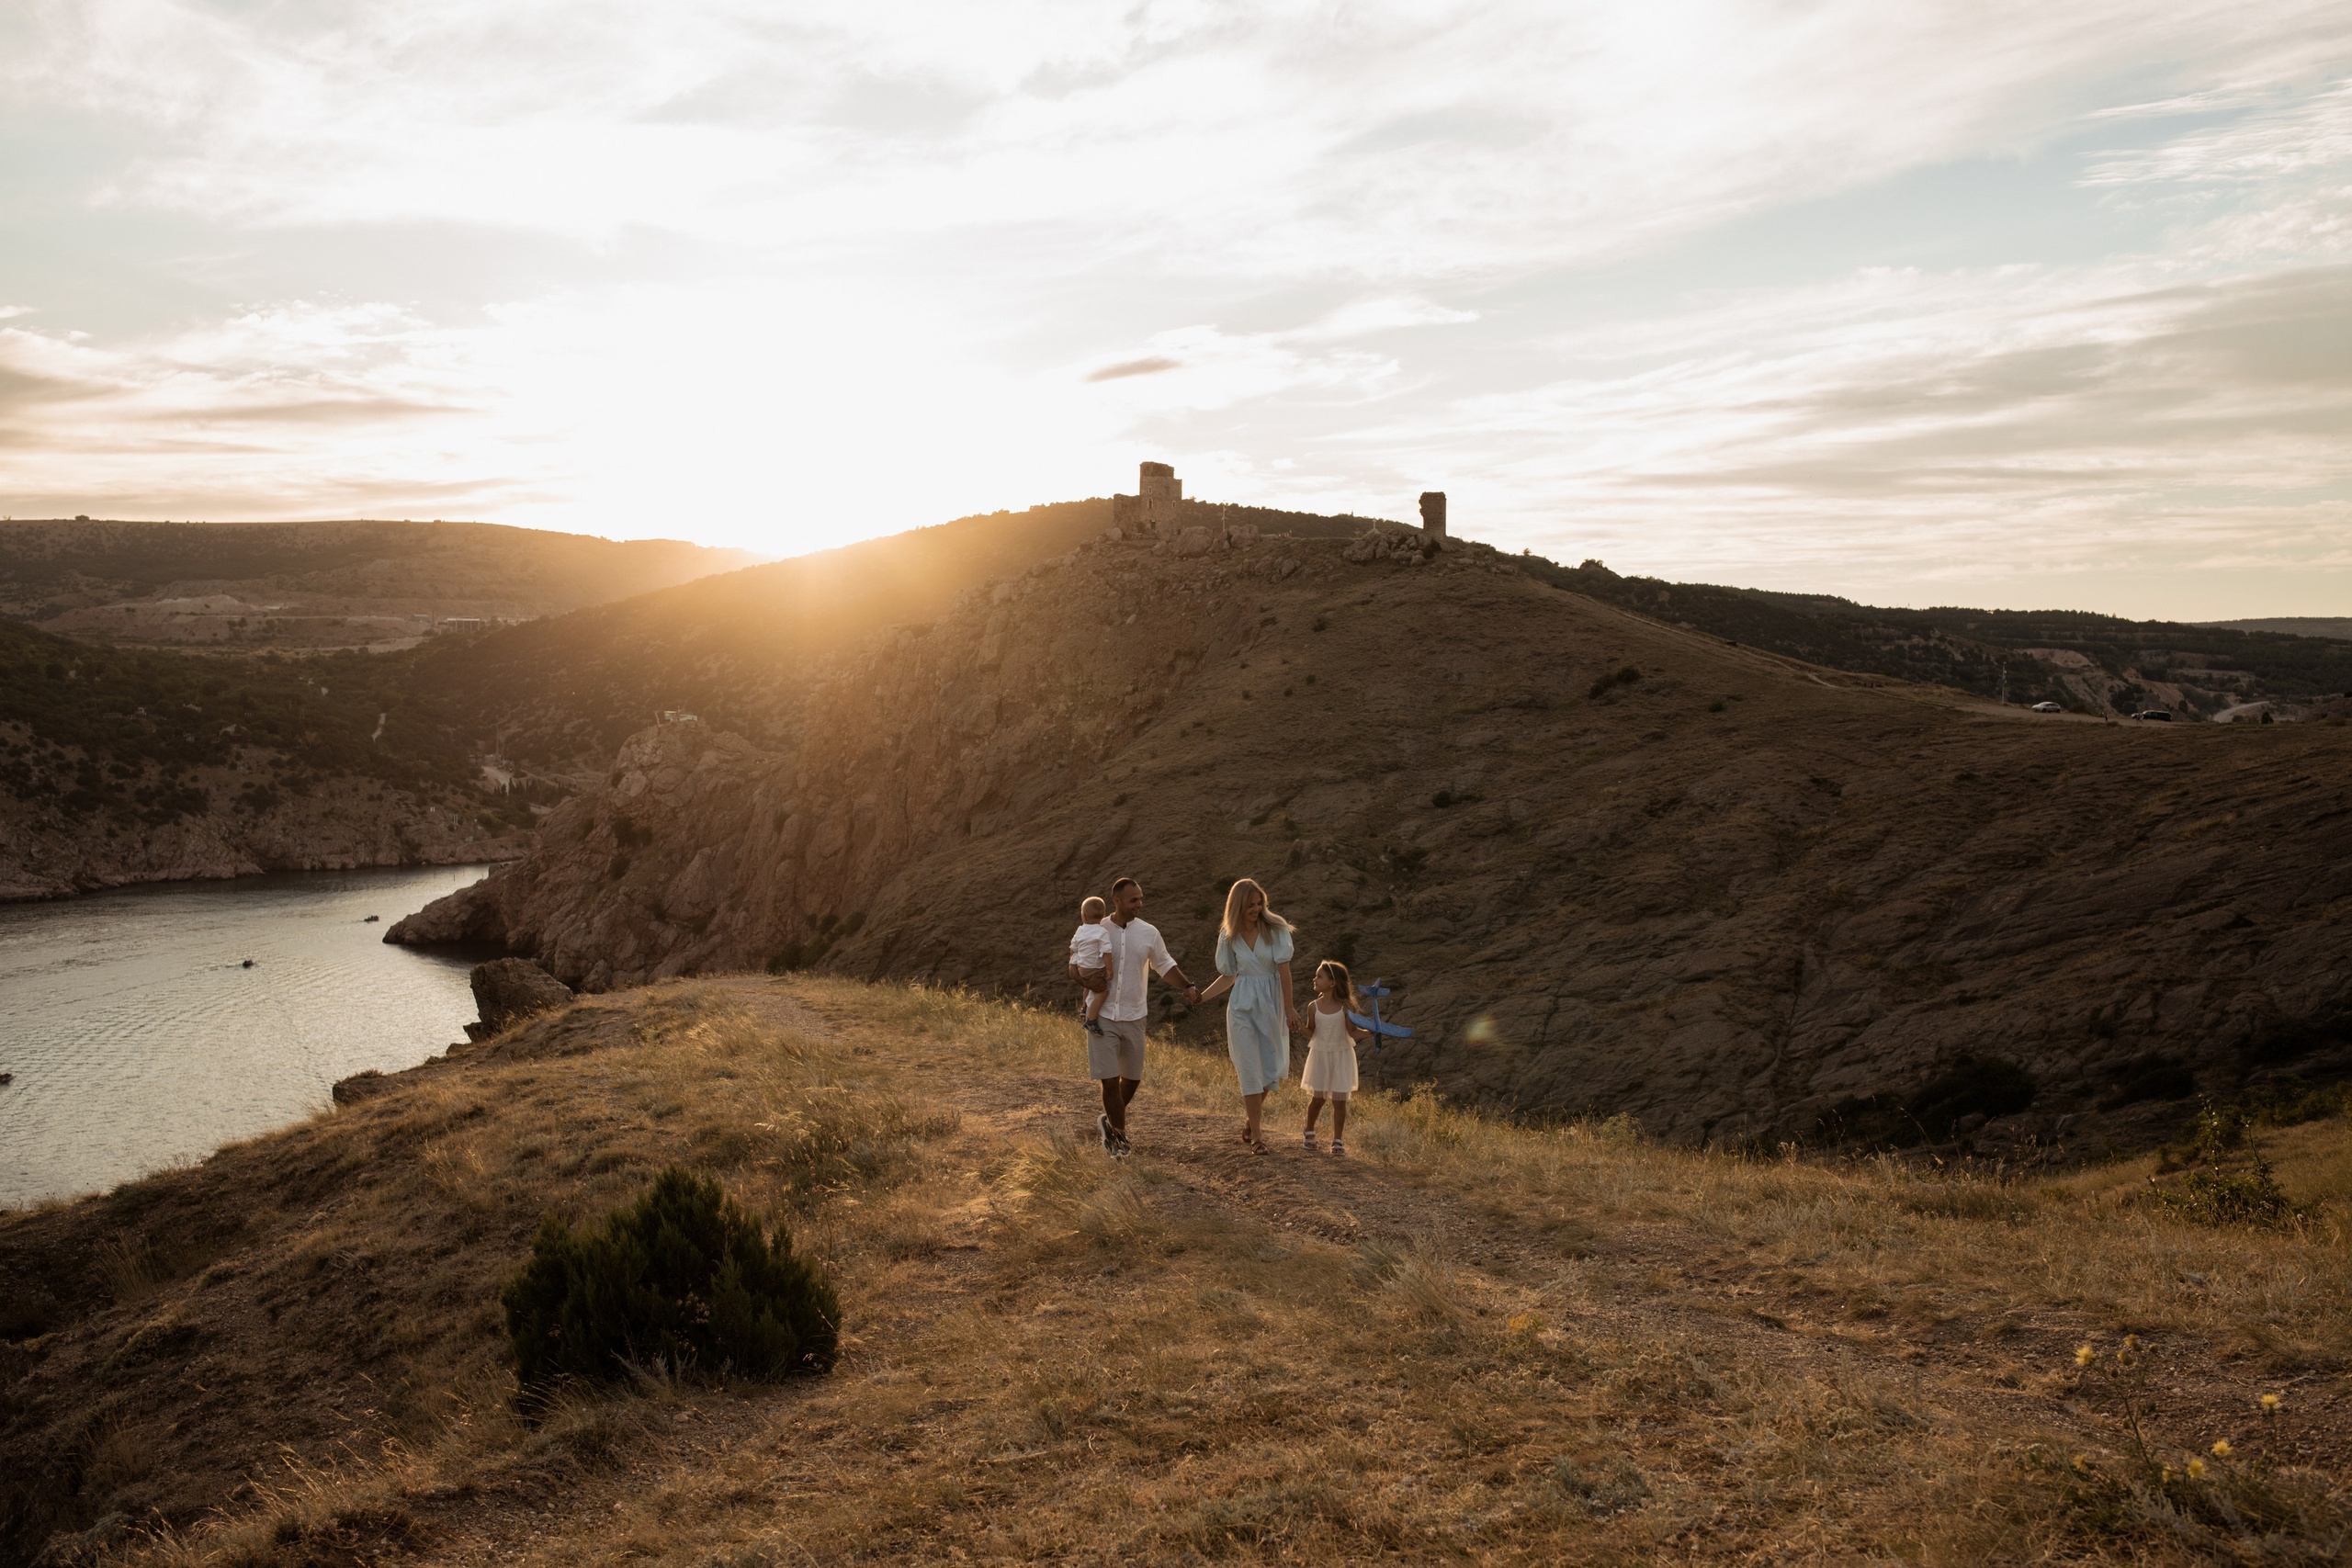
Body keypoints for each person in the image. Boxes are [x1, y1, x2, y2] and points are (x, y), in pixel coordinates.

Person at [1091, 876, 1203, 1156]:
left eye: (1141, 898)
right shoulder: (1097, 930)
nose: (1139, 904)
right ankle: (1119, 1139)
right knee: (1109, 1079)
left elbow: (1164, 965)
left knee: (1131, 1079)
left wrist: (1188, 986)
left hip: (1134, 1015)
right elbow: (1079, 961)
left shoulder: (1149, 932)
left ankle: (1108, 1120)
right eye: (1134, 900)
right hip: (1102, 1014)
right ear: (1117, 901)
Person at [1196, 877, 1306, 1155]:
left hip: (1271, 1003)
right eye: (1250, 905)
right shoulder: (1229, 936)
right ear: (1238, 906)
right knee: (1248, 1067)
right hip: (1242, 1005)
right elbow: (1228, 975)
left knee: (1270, 1067)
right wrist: (1202, 997)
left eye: (1260, 904)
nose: (1256, 909)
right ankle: (1258, 1136)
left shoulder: (1276, 928)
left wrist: (1290, 1008)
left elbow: (1284, 971)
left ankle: (1251, 1119)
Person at [1300, 959, 1370, 1156]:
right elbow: (1312, 1033)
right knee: (1318, 1098)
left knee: (1340, 1100)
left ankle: (1337, 1139)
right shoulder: (1312, 1006)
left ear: (1332, 983)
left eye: (1319, 976)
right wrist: (1299, 1027)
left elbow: (1352, 1032)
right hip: (1320, 1054)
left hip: (1341, 1054)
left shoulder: (1346, 1006)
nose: (1315, 979)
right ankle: (1309, 1131)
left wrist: (1368, 1033)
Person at [1068, 896, 1116, 1036]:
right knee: (1102, 993)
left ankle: (1084, 1007)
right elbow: (1106, 951)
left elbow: (1073, 948)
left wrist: (1076, 961)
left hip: (1082, 968)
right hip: (1095, 970)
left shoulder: (1080, 930)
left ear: (1084, 916)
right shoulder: (1102, 932)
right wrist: (1109, 969)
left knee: (1088, 985)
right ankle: (1091, 1021)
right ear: (1103, 917)